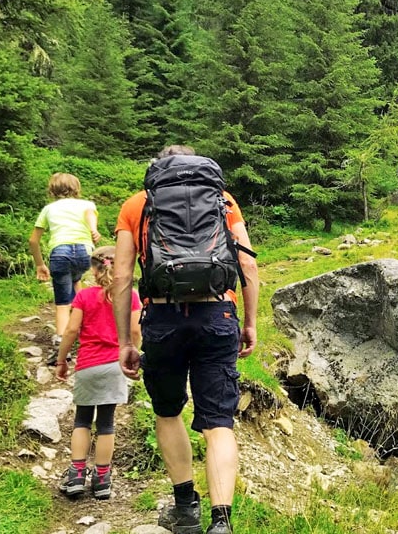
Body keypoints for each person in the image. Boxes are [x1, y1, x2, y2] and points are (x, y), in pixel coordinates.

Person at [113, 145, 259, 534]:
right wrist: (251, 322)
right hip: (217, 312)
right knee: (219, 423)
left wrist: (125, 340)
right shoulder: (222, 199)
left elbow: (122, 276)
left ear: (157, 169)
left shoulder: (137, 204)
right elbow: (246, 262)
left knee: (167, 412)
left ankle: (185, 509)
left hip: (162, 316)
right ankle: (222, 522)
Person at [55, 246, 142, 500]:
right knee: (106, 423)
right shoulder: (132, 296)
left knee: (82, 420)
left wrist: (62, 360)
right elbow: (135, 331)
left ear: (93, 270)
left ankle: (76, 475)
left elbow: (71, 330)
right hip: (116, 365)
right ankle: (102, 480)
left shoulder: (83, 297)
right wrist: (133, 353)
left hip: (88, 365)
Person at [29, 173, 102, 345]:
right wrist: (93, 229)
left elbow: (33, 240)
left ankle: (61, 342)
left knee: (62, 302)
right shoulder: (87, 204)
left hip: (60, 252)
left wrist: (40, 265)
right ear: (76, 188)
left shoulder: (49, 209)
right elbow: (90, 213)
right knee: (76, 279)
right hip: (85, 252)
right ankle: (88, 327)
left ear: (52, 190)